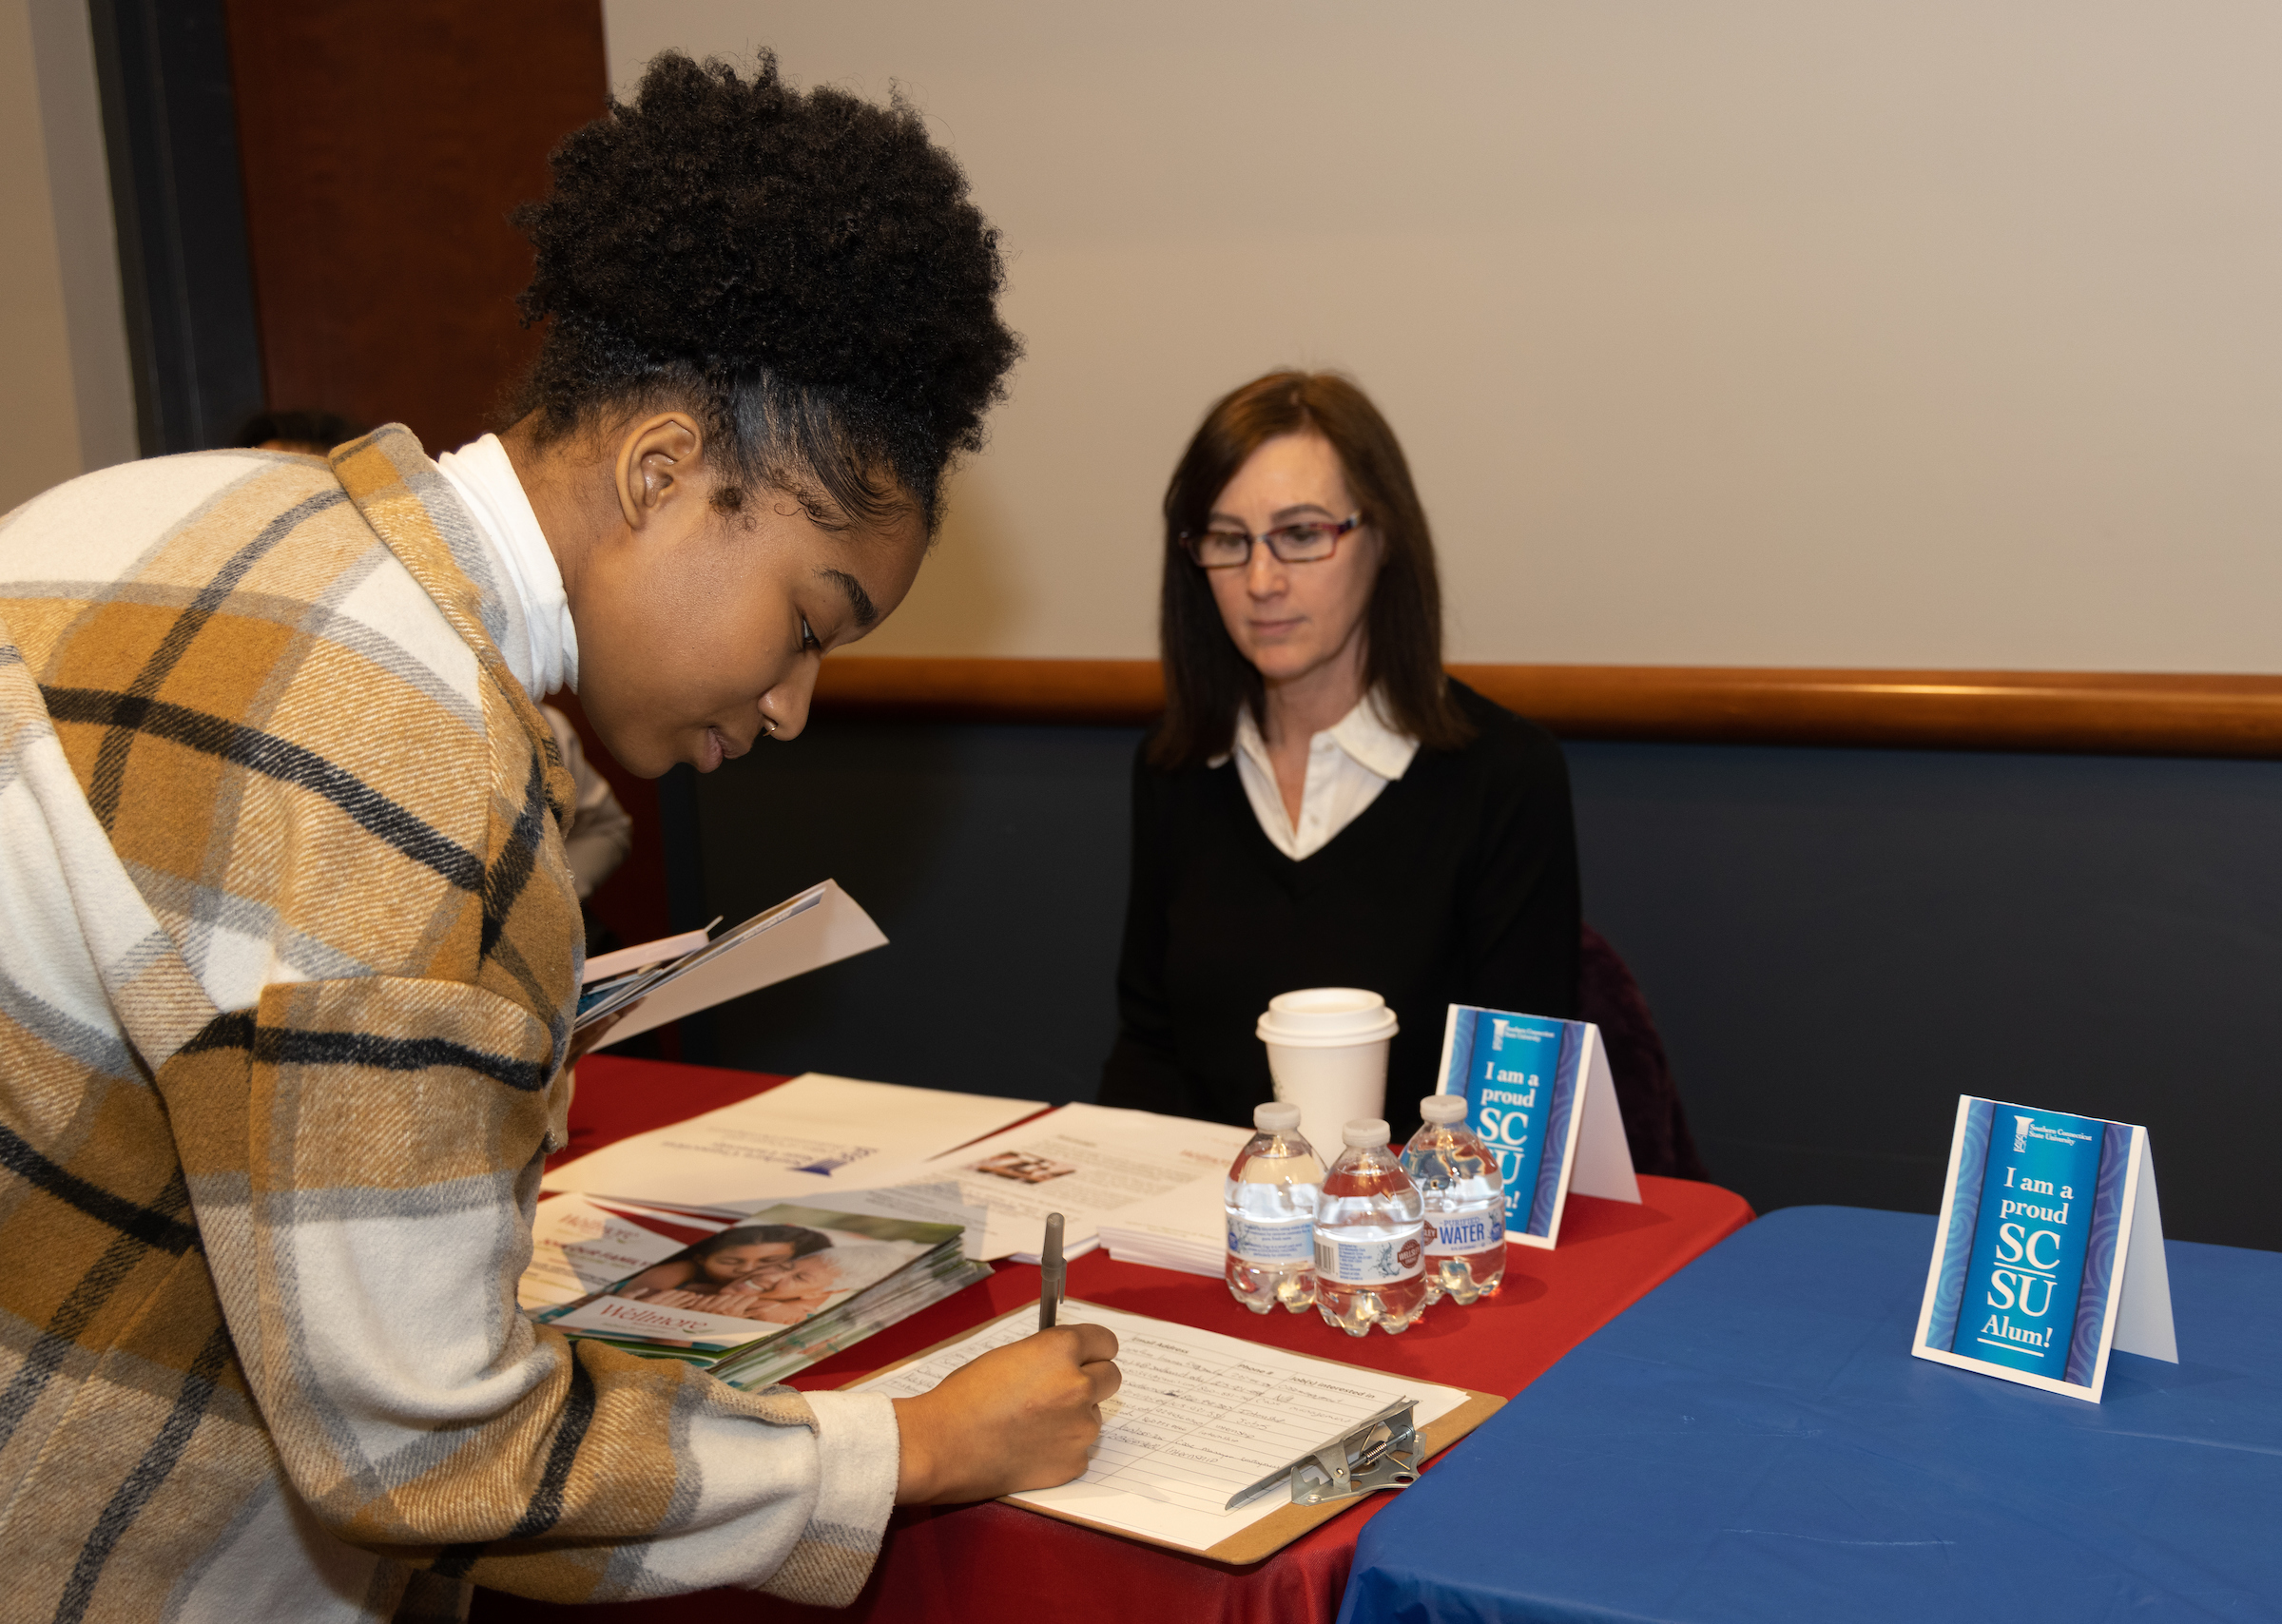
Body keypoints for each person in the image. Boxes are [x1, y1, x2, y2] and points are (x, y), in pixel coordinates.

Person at [0, 50, 1117, 1622]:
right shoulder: (414, 748)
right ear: (663, 470)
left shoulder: (172, 500)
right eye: (810, 620)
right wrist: (907, 1445)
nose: (794, 703)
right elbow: (422, 1449)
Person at [1100, 371, 1582, 1146]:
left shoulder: (1504, 775)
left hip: (1418, 1239)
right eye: (1228, 540)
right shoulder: (1174, 771)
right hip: (1214, 1231)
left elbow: (1516, 1110)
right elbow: (1150, 1050)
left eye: (1301, 534)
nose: (1261, 581)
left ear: (1382, 536)